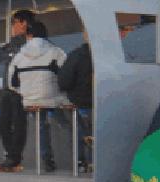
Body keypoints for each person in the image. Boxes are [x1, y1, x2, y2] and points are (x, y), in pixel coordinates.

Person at [6, 20, 70, 173]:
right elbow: (67, 76)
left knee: (41, 127)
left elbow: (11, 83)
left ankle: (47, 160)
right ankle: (82, 157)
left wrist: (25, 93)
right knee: (70, 124)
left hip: (31, 100)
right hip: (54, 97)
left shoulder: (19, 55)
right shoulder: (56, 51)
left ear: (28, 35)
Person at [0, 9, 36, 172]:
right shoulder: (11, 46)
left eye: (14, 23)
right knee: (3, 123)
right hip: (6, 89)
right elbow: (1, 55)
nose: (12, 27)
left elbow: (12, 57)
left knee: (18, 123)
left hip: (21, 89)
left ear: (23, 23)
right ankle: (11, 155)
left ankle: (14, 157)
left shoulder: (31, 42)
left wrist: (12, 54)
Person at [58, 32, 94, 173]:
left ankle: (80, 162)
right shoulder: (110, 56)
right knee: (95, 133)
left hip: (79, 102)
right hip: (101, 102)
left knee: (79, 132)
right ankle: (94, 163)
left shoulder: (76, 55)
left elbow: (64, 81)